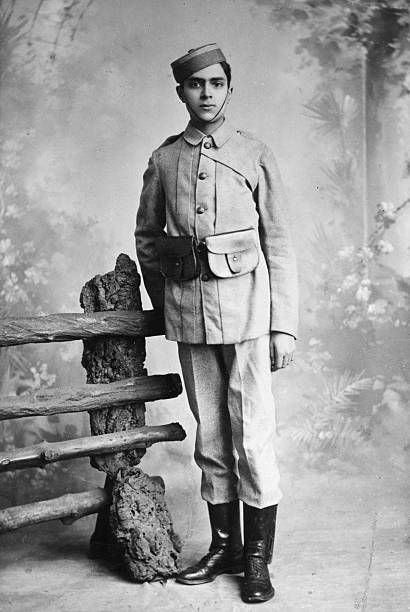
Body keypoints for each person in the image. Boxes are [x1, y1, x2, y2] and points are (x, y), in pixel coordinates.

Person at [135, 43, 298, 604]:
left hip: (250, 319)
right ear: (180, 92)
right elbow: (149, 242)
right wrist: (168, 308)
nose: (206, 94)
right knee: (211, 435)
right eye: (195, 85)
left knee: (252, 434)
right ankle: (224, 546)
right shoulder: (164, 161)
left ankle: (257, 558)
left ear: (229, 88)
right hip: (191, 321)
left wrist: (284, 327)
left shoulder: (253, 154)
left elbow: (279, 244)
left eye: (216, 84)